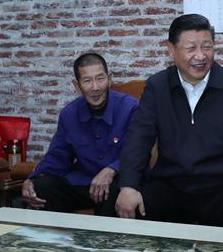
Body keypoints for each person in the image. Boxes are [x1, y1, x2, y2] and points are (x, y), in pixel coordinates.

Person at [116, 13, 223, 228]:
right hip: (171, 186)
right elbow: (139, 139)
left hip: (222, 186)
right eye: (191, 48)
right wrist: (128, 185)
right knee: (124, 203)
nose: (200, 56)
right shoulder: (158, 86)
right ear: (171, 50)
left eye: (206, 47)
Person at [20, 52, 138, 216]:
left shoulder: (130, 108)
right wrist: (32, 179)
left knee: (112, 187)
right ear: (77, 85)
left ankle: (103, 241)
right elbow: (57, 156)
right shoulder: (69, 114)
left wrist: (110, 170)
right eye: (87, 81)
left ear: (109, 79)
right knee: (42, 186)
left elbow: (137, 152)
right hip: (83, 183)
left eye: (100, 78)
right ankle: (62, 239)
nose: (95, 87)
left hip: (116, 183)